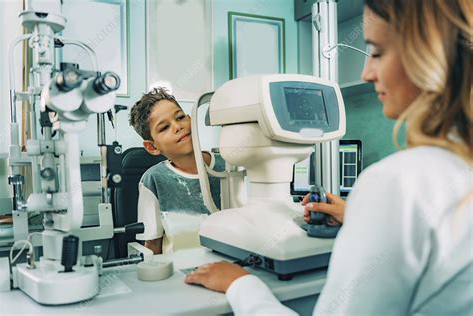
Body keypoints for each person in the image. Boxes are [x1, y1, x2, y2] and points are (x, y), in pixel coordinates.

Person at [184, 0, 473, 314]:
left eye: (377, 52)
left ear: (427, 56)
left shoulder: (396, 183)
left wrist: (242, 285)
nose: (366, 73)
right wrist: (363, 218)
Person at [129, 87, 225, 254]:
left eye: (180, 117)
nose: (177, 127)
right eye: (164, 127)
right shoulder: (153, 180)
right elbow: (152, 245)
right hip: (181, 272)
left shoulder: (230, 164)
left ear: (190, 119)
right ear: (152, 147)